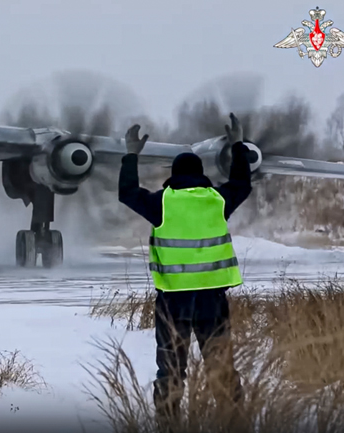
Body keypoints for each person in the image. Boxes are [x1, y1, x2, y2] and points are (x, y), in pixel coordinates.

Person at [118, 113, 252, 428]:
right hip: (212, 301)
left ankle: (169, 424)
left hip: (172, 303)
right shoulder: (217, 200)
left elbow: (127, 193)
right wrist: (238, 146)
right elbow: (242, 184)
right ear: (200, 174)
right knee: (221, 368)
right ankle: (233, 423)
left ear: (173, 176)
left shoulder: (162, 203)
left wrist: (130, 155)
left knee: (171, 371)